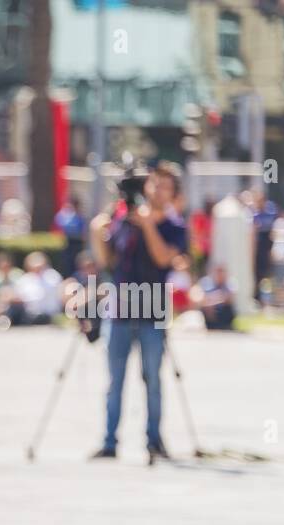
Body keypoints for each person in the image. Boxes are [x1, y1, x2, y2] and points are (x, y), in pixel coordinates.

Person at [89, 163, 187, 461]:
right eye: (154, 184)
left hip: (152, 309)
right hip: (120, 308)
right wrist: (98, 233)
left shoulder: (174, 227)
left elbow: (162, 259)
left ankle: (154, 441)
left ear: (173, 194)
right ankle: (109, 442)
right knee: (114, 380)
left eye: (165, 187)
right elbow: (108, 262)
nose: (158, 190)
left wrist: (147, 225)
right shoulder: (123, 221)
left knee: (153, 379)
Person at [12, 251, 63, 325]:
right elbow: (19, 297)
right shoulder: (24, 280)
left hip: (51, 316)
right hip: (30, 316)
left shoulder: (53, 277)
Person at [190, 262, 237, 331]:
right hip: (208, 310)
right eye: (218, 272)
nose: (220, 274)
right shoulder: (206, 282)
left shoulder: (230, 282)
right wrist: (210, 302)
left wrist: (212, 301)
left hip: (223, 310)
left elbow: (229, 298)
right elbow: (198, 296)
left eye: (222, 272)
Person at [53, 197, 85, 278]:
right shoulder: (65, 214)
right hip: (67, 243)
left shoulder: (79, 216)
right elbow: (59, 223)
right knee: (66, 264)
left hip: (78, 244)